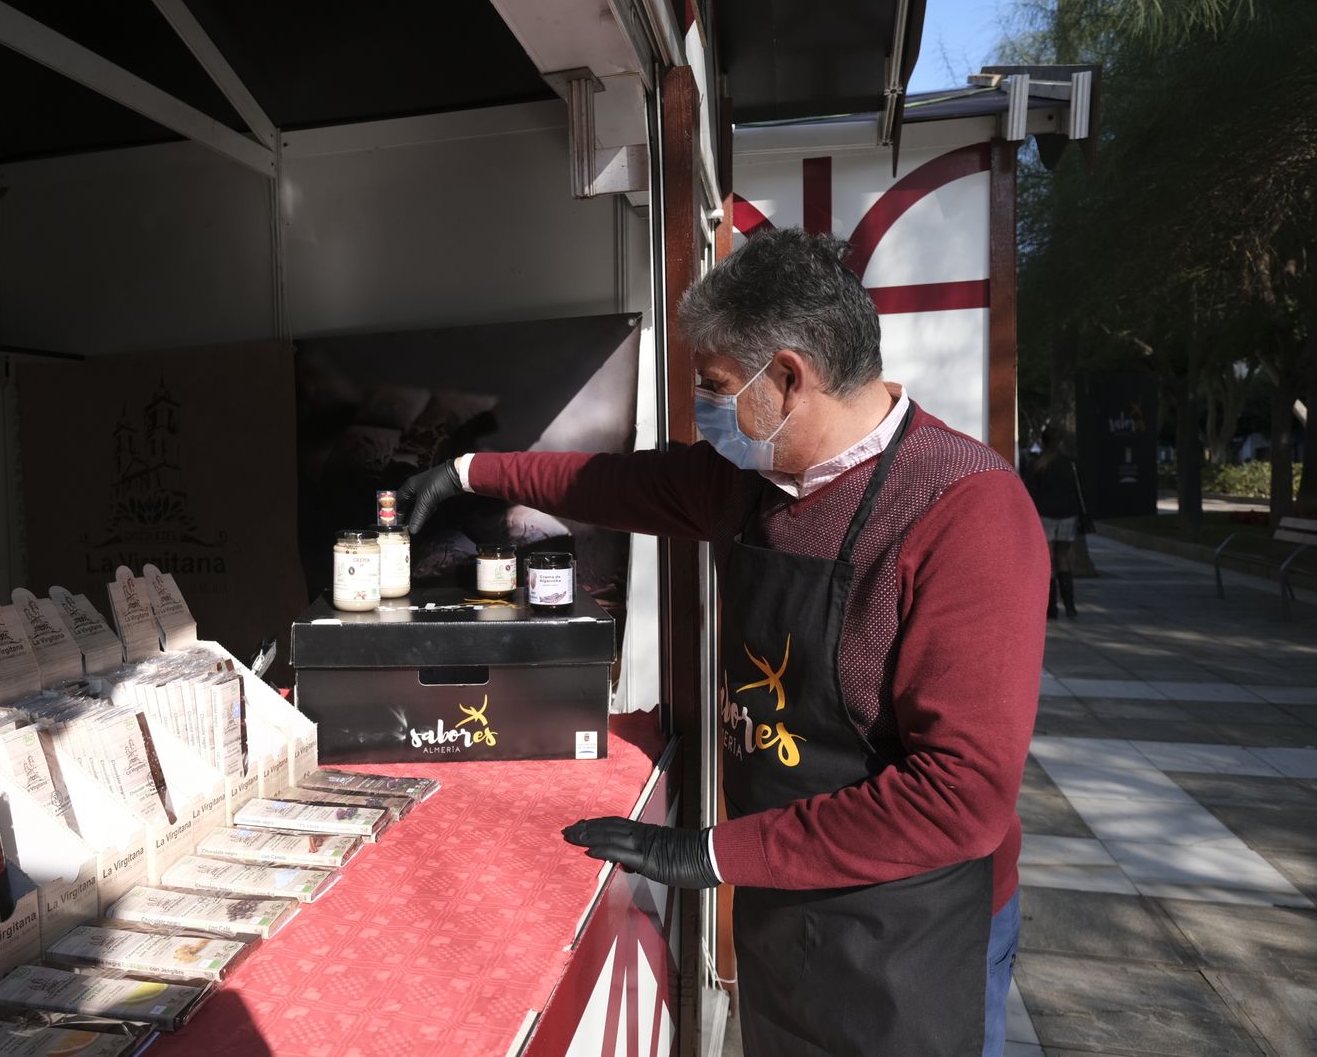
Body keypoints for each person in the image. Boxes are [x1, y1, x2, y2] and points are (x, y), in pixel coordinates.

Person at [398, 228, 1047, 1057]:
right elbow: (611, 483)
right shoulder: (750, 481)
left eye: (713, 387)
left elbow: (958, 798)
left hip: (914, 923)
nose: (704, 415)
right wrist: (466, 473)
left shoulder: (966, 513)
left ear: (787, 377)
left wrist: (710, 852)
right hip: (785, 887)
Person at [1023, 425, 1083, 619]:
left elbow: (1030, 493)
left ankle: (1051, 608)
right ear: (1059, 442)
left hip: (1045, 515)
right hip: (1068, 515)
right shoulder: (1069, 464)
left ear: (1043, 441)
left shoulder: (1037, 464)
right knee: (1063, 558)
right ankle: (1070, 605)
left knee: (1049, 561)